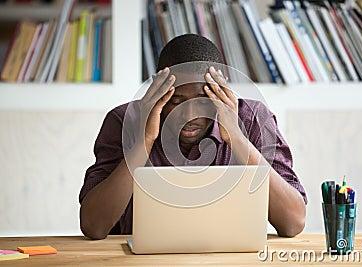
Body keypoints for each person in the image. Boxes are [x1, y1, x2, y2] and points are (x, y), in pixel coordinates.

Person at [79, 34, 307, 240]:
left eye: (202, 100)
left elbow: (293, 223)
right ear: (157, 88)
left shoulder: (254, 118)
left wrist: (237, 138)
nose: (189, 116)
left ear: (220, 89)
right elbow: (94, 226)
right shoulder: (123, 121)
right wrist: (145, 140)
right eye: (176, 101)